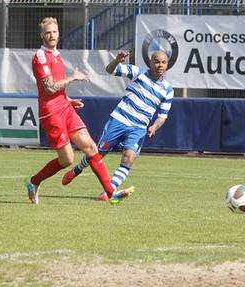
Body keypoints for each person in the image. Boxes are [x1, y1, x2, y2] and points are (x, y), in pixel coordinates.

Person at [25, 17, 134, 205]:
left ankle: (110, 193)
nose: (51, 35)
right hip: (51, 113)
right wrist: (73, 78)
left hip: (64, 108)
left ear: (59, 33)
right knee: (67, 159)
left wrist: (67, 100)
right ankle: (34, 182)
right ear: (42, 35)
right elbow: (49, 88)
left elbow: (54, 90)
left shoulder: (57, 55)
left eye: (55, 32)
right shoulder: (40, 56)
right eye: (48, 32)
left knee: (91, 147)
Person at [61, 50, 174, 201]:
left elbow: (162, 116)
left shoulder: (168, 90)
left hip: (139, 128)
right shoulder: (138, 72)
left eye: (163, 62)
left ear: (167, 65)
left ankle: (109, 192)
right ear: (150, 62)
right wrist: (117, 60)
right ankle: (77, 169)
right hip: (119, 120)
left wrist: (154, 126)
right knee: (98, 153)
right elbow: (110, 70)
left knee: (129, 158)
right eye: (157, 61)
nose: (160, 65)